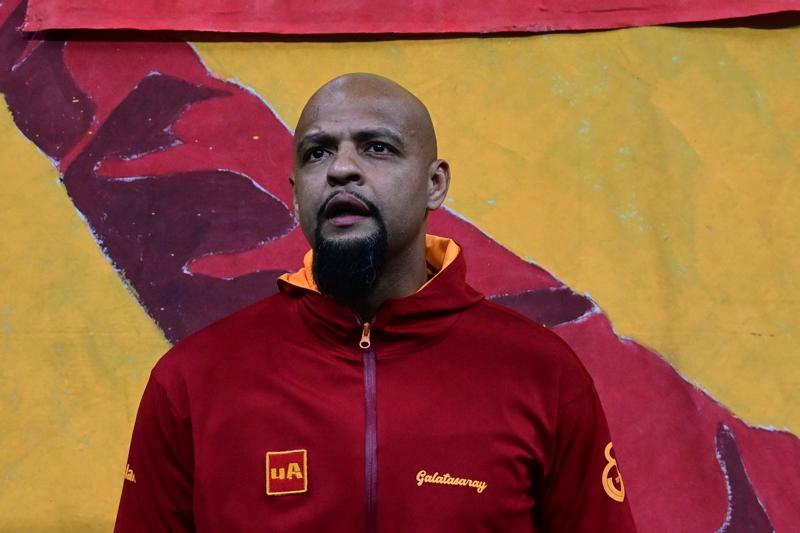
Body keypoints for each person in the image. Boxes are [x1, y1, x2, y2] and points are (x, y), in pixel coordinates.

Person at [114, 73, 637, 532]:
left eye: (377, 147)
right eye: (317, 153)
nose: (341, 169)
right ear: (295, 193)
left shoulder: (542, 375)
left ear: (435, 184)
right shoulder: (193, 381)